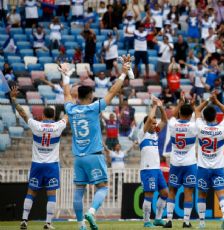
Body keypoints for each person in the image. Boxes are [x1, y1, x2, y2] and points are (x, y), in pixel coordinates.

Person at [61, 55, 133, 230]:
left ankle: (81, 225)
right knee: (102, 187)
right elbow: (113, 92)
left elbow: (66, 94)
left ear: (78, 95)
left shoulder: (71, 109)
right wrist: (123, 74)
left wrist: (66, 76)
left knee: (79, 191)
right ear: (91, 95)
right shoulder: (94, 108)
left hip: (79, 157)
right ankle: (92, 211)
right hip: (94, 155)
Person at [10, 86, 68, 230]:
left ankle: (24, 220)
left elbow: (23, 113)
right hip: (52, 165)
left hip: (36, 164)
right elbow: (68, 115)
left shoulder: (36, 125)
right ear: (53, 116)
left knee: (31, 192)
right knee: (51, 194)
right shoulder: (58, 126)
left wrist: (14, 99)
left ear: (42, 116)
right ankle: (48, 223)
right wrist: (69, 100)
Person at [195, 91, 224, 229]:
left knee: (202, 194)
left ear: (204, 117)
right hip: (218, 167)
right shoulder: (222, 128)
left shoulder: (201, 127)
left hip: (203, 167)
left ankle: (202, 223)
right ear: (216, 116)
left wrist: (208, 100)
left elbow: (197, 110)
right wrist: (217, 102)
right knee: (221, 193)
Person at [164, 92, 197, 228]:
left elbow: (171, 116)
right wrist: (193, 107)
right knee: (188, 192)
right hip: (189, 164)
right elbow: (197, 118)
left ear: (180, 112)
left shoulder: (172, 124)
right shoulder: (194, 126)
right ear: (190, 115)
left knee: (172, 190)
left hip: (175, 163)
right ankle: (186, 221)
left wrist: (179, 104)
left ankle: (169, 220)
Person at [138, 97, 169, 227]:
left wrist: (160, 106)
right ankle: (146, 221)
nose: (155, 124)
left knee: (165, 193)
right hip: (147, 169)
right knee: (149, 195)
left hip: (156, 169)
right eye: (152, 122)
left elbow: (165, 121)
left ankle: (157, 218)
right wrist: (154, 106)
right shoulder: (142, 134)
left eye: (155, 122)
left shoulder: (155, 133)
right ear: (146, 124)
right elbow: (150, 118)